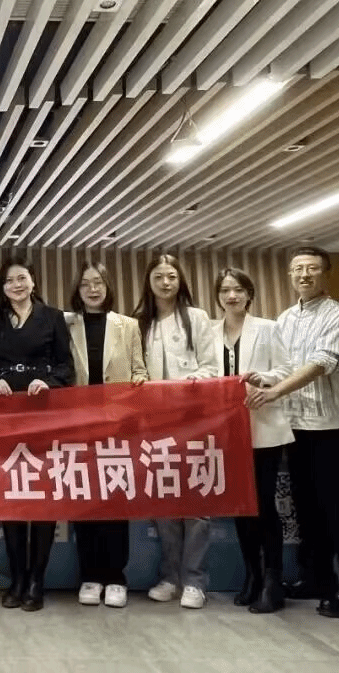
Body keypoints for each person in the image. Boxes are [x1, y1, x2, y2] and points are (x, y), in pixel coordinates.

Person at [245, 246, 339, 618]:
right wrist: (263, 378)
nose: (304, 274)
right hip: (296, 426)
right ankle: (318, 578)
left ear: (326, 274)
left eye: (312, 268)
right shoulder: (285, 319)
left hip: (332, 427)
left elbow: (321, 363)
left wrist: (275, 391)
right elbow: (284, 367)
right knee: (308, 509)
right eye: (298, 269)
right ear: (290, 275)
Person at [0, 257, 72, 612]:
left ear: (33, 281)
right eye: (9, 281)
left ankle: (37, 580)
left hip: (44, 413)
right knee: (12, 495)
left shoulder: (53, 317)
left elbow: (66, 366)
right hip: (6, 414)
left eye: (22, 278)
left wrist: (48, 381)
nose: (16, 285)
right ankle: (17, 578)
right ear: (2, 288)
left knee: (43, 496)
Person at [134, 254, 218, 609]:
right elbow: (135, 370)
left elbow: (211, 368)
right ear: (149, 282)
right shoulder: (140, 322)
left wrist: (182, 387)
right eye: (158, 276)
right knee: (163, 500)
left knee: (196, 504)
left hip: (194, 420)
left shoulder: (197, 318)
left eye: (171, 276)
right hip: (155, 424)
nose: (165, 283)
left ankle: (195, 580)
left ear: (180, 280)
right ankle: (170, 576)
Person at [213, 268, 293, 614]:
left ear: (249, 294)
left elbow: (287, 369)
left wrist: (265, 379)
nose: (232, 296)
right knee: (241, 505)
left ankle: (273, 580)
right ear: (218, 296)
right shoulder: (210, 332)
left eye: (239, 290)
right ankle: (253, 574)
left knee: (262, 504)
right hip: (226, 430)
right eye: (225, 290)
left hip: (263, 427)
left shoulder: (268, 328)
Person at [67, 262, 147, 609]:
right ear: (78, 289)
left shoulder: (128, 325)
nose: (93, 289)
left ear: (107, 286)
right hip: (78, 426)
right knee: (84, 501)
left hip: (118, 426)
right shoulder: (66, 324)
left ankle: (116, 577)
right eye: (86, 284)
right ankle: (90, 575)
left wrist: (141, 380)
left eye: (98, 282)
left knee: (115, 500)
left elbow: (140, 369)